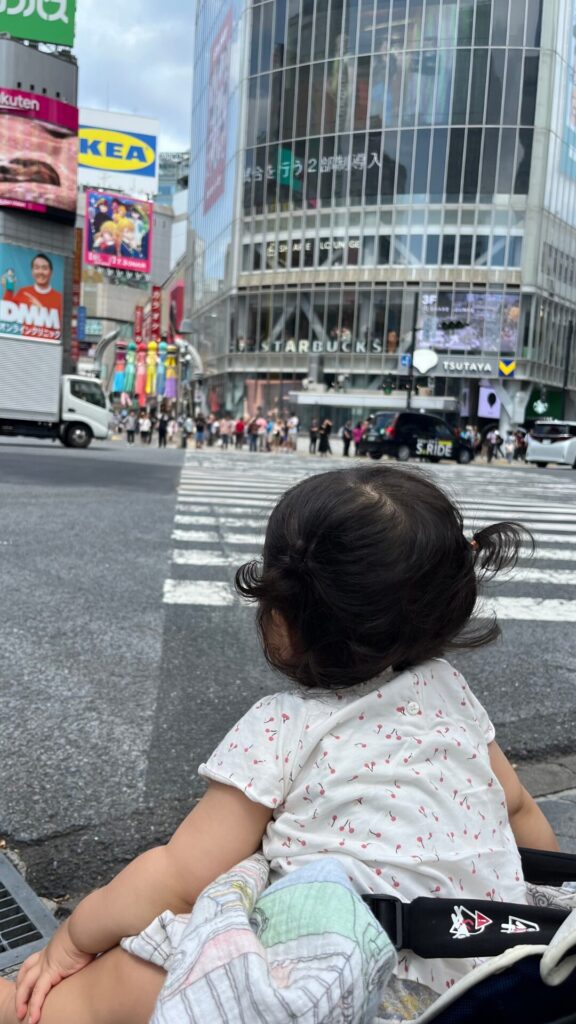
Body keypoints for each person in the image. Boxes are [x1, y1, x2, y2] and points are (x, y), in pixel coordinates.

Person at [0, 467, 558, 1024]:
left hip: (338, 992)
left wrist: (73, 939)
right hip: (487, 985)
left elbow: (178, 876)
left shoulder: (283, 726)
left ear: (284, 618)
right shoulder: (450, 694)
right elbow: (519, 809)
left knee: (121, 976)